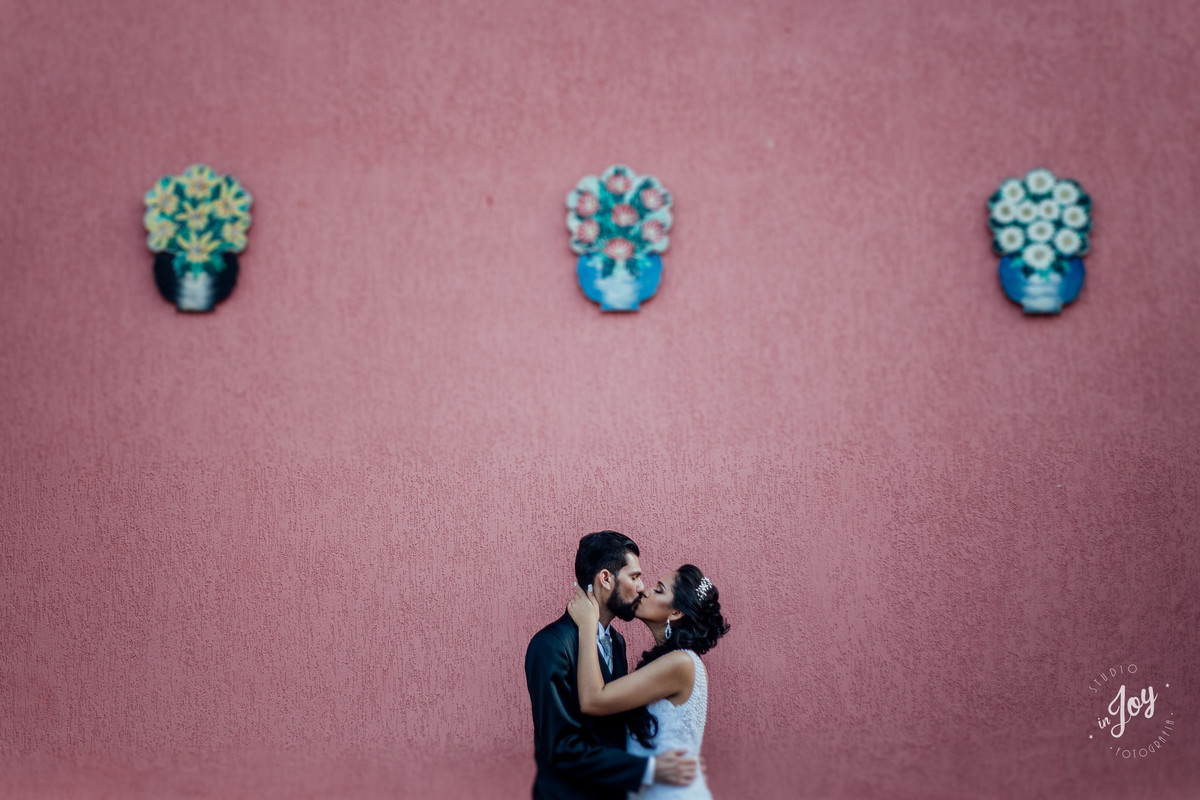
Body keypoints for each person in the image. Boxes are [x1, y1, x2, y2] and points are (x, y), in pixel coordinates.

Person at [526, 532, 699, 800]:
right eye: (634, 577)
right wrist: (648, 770)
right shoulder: (551, 645)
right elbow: (561, 748)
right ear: (606, 579)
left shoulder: (617, 642)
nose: (642, 587)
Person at [567, 564, 729, 800]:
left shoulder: (680, 664)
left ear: (675, 613)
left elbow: (593, 700)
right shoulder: (672, 662)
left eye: (659, 589)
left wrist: (587, 625)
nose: (645, 591)